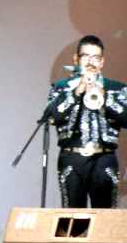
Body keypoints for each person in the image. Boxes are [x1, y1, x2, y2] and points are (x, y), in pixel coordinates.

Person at [48, 35, 127, 208]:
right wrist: (78, 91)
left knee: (105, 220)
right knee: (73, 221)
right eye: (86, 56)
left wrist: (105, 96)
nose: (91, 62)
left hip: (104, 158)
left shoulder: (117, 88)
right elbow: (54, 117)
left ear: (102, 62)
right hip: (72, 158)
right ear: (76, 59)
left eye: (96, 57)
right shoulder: (61, 87)